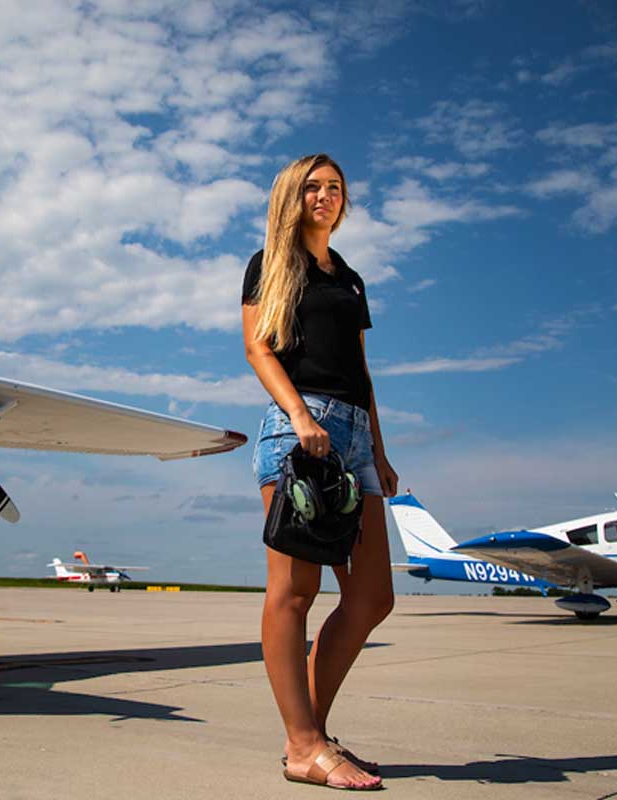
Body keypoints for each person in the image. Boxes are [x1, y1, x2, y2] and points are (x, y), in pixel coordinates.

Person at [242, 153, 397, 791]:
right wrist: (302, 417)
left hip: (355, 437)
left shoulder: (351, 278)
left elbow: (362, 373)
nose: (325, 196)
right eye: (313, 187)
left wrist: (379, 452)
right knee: (296, 592)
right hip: (300, 432)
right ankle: (305, 746)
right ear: (292, 196)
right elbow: (258, 346)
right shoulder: (273, 262)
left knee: (371, 597)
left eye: (335, 188)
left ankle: (308, 737)